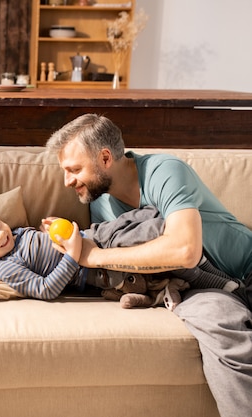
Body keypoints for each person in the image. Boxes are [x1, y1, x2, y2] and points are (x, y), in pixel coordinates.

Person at [45, 113, 252, 416]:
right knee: (221, 326)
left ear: (105, 158)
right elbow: (126, 260)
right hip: (191, 286)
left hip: (244, 265)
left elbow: (185, 249)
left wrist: (95, 256)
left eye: (74, 169)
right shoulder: (98, 200)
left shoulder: (164, 171)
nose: (67, 181)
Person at [0, 203, 237, 302]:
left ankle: (218, 274)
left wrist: (52, 229)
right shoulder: (7, 268)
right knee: (150, 239)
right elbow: (44, 290)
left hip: (95, 235)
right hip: (98, 268)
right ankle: (214, 281)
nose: (2, 233)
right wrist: (71, 255)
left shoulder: (16, 234)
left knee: (152, 218)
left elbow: (46, 245)